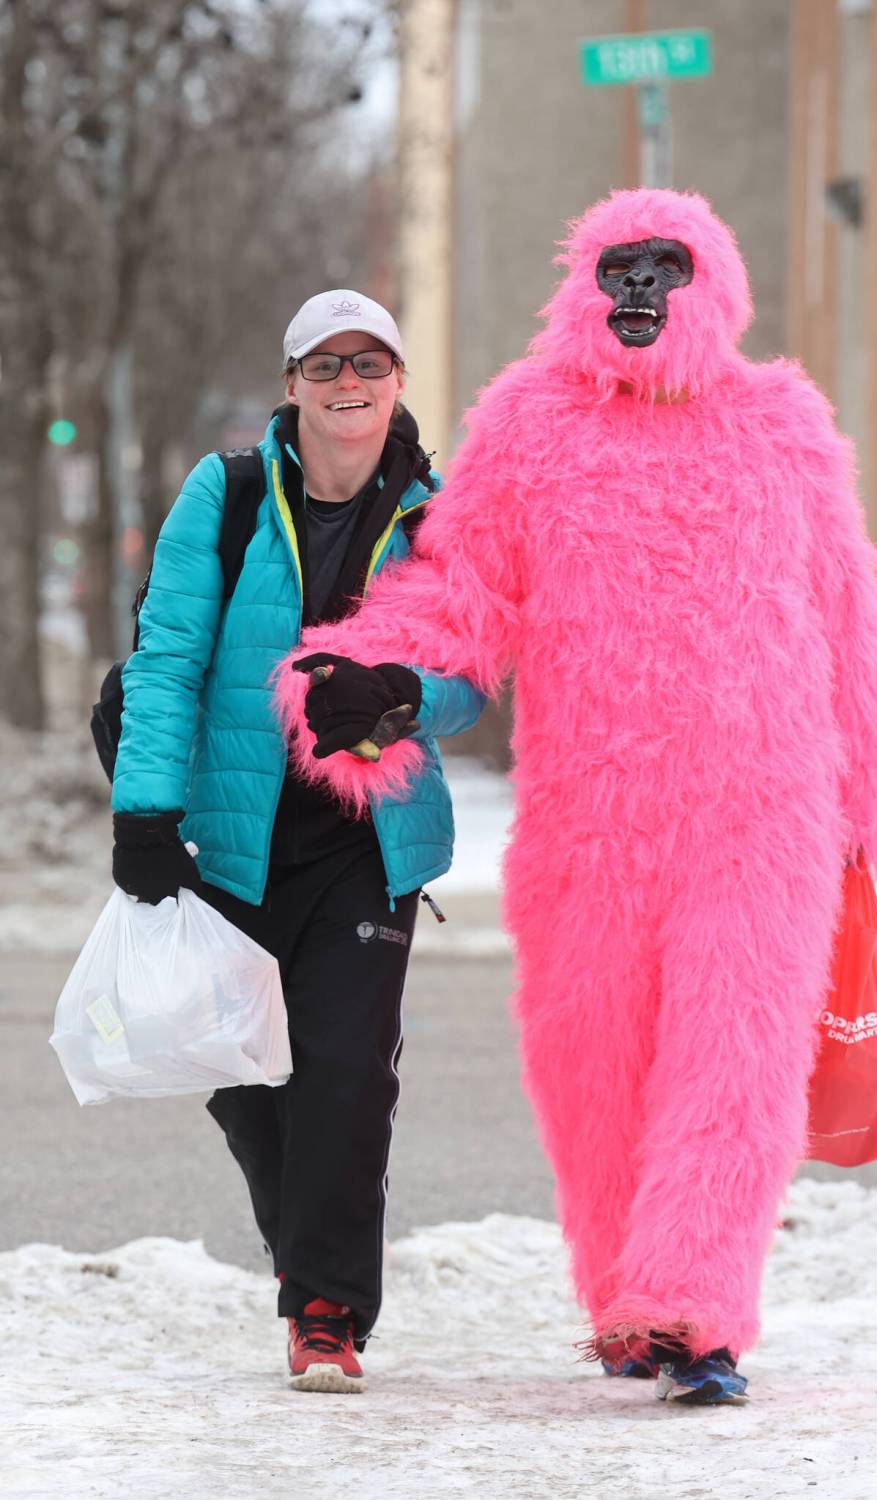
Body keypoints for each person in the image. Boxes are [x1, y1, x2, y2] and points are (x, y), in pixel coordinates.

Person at [272, 192, 877, 1405]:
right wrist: (371, 678)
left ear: (710, 285)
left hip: (764, 806)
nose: (636, 293)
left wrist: (871, 784)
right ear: (580, 284)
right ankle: (628, 1299)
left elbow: (846, 610)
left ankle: (696, 1311)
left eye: (662, 269)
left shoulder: (781, 426)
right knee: (594, 1068)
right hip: (591, 817)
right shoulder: (529, 424)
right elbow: (462, 591)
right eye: (617, 270)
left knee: (732, 1065)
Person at [110, 291, 483, 1392]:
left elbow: (471, 678)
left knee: (347, 1078)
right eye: (325, 365)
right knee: (243, 1078)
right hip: (234, 835)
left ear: (398, 381)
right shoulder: (224, 494)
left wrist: (402, 693)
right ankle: (309, 1252)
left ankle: (326, 1309)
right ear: (293, 386)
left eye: (369, 362)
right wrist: (143, 814)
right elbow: (168, 655)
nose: (347, 382)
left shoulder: (438, 519)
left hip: (369, 839)